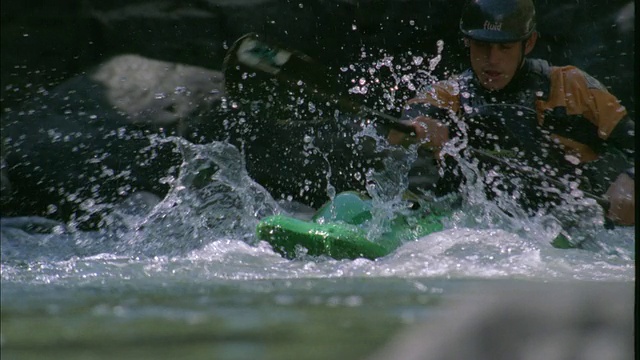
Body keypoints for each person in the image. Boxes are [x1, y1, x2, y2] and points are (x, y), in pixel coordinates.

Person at [388, 0, 635, 226]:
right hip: (468, 229)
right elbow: (402, 132)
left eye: (505, 47)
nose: (492, 60)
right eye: (482, 46)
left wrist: (630, 181)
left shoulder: (573, 89)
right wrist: (421, 129)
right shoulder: (446, 95)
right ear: (467, 42)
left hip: (564, 232)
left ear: (528, 43)